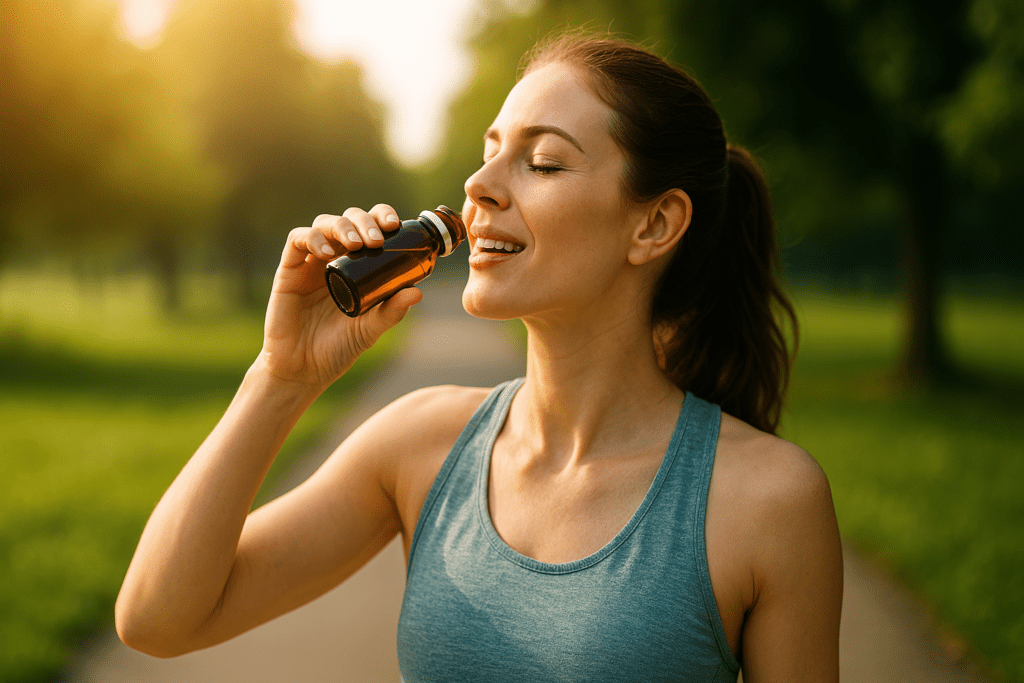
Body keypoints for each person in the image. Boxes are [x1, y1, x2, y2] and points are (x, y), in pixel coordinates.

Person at [116, 33, 843, 682]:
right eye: (491, 150)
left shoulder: (768, 500)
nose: (479, 185)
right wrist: (281, 376)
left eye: (544, 161)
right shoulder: (423, 445)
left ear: (654, 223)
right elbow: (158, 618)